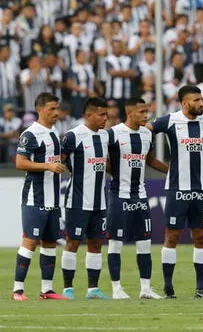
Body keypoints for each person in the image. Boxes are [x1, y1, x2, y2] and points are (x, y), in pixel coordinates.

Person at [148, 85, 203, 299]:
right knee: (172, 236)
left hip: (201, 189)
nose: (201, 103)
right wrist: (150, 157)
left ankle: (201, 287)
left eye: (202, 99)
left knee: (201, 236)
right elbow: (145, 131)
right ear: (185, 103)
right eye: (196, 100)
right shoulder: (169, 120)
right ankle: (168, 287)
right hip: (177, 188)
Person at [105, 98, 169, 300]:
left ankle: (146, 289)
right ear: (130, 112)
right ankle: (116, 289)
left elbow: (149, 160)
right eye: (142, 112)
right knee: (116, 242)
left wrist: (171, 172)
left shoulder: (146, 134)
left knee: (144, 242)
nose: (146, 115)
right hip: (119, 195)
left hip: (140, 196)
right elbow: (104, 161)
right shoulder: (113, 134)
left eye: (146, 111)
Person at [12, 93, 67, 301]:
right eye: (52, 109)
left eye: (57, 108)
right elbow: (20, 163)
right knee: (30, 241)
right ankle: (17, 290)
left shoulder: (54, 133)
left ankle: (47, 290)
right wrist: (48, 166)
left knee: (50, 242)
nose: (56, 113)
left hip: (53, 199)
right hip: (35, 199)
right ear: (40, 110)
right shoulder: (30, 134)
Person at [60, 97, 110, 300]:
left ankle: (93, 289)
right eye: (101, 115)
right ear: (88, 115)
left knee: (96, 243)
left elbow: (107, 164)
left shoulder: (106, 136)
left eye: (106, 114)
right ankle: (68, 289)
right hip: (77, 200)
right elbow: (58, 162)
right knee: (72, 242)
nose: (105, 118)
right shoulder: (73, 136)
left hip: (100, 201)